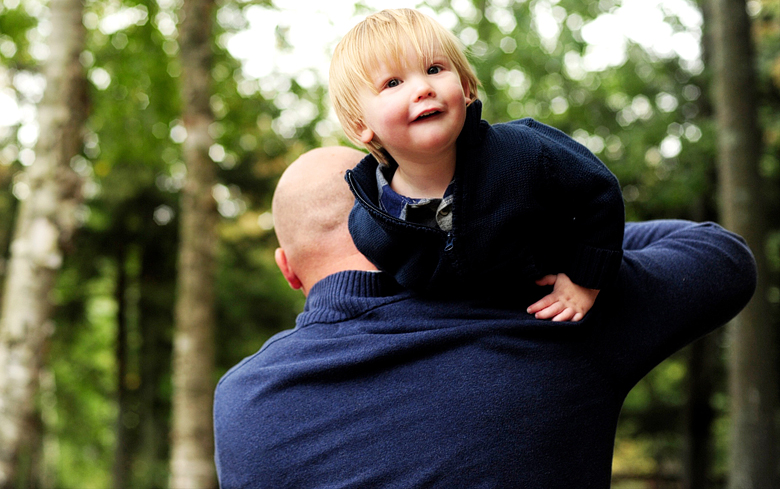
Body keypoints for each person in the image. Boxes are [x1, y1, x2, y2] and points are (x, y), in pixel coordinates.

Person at [213, 146, 756, 489]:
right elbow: (720, 258)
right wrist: (543, 251)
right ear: (403, 219)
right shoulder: (550, 316)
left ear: (288, 270)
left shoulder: (241, 403)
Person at [328, 8, 625, 321]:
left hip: (555, 313)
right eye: (392, 83)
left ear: (466, 88)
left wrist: (585, 279)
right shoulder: (370, 224)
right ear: (360, 123)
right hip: (471, 339)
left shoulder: (524, 151)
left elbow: (599, 192)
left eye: (434, 69)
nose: (423, 88)